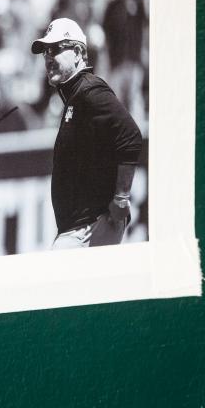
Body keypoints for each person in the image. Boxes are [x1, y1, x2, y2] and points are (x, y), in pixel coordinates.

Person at [31, 18, 143, 249]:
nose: (48, 58)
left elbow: (130, 135)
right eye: (45, 52)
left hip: (88, 229)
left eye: (55, 49)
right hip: (81, 229)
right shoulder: (77, 95)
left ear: (79, 52)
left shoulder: (90, 90)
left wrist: (121, 198)